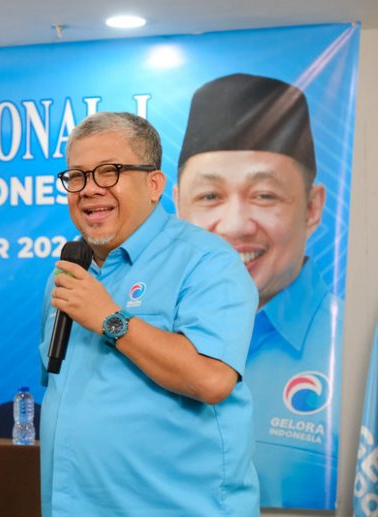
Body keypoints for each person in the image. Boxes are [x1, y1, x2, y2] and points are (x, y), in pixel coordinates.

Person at [39, 111, 259, 516]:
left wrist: (111, 319)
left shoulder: (206, 261)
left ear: (154, 184)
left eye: (109, 172)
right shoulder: (68, 273)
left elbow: (212, 380)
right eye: (77, 176)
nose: (89, 189)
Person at [175, 73, 342, 509]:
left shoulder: (357, 351)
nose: (235, 226)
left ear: (312, 208)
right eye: (209, 196)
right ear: (178, 207)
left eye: (265, 195)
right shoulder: (140, 336)